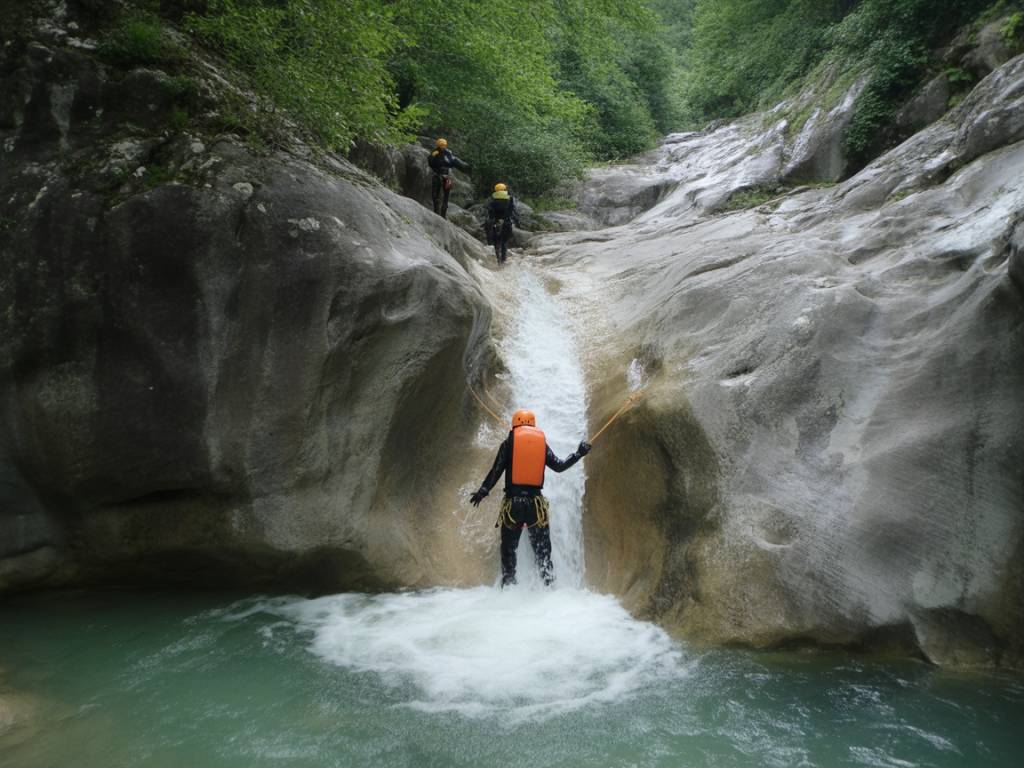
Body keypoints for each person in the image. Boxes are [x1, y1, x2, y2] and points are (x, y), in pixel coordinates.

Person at [469, 409, 591, 587]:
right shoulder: (541, 444)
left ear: (514, 425)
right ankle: (548, 587)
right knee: (543, 553)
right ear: (533, 425)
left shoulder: (509, 443)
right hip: (536, 506)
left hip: (513, 506)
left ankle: (509, 586)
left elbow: (496, 470)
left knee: (508, 550)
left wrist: (483, 491)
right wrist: (579, 453)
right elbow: (559, 466)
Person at [427, 138, 470, 219]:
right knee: (435, 195)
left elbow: (454, 162)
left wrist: (464, 166)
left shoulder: (448, 153)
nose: (442, 147)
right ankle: (436, 212)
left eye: (443, 145)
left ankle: (443, 215)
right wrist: (432, 156)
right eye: (441, 145)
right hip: (437, 175)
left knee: (445, 196)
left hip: (445, 176)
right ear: (438, 145)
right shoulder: (435, 152)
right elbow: (431, 163)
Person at [485, 182, 520, 264]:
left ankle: (497, 259)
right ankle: (503, 260)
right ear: (504, 189)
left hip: (495, 222)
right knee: (504, 242)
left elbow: (489, 210)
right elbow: (513, 210)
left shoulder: (492, 198)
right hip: (506, 222)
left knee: (495, 242)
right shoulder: (510, 198)